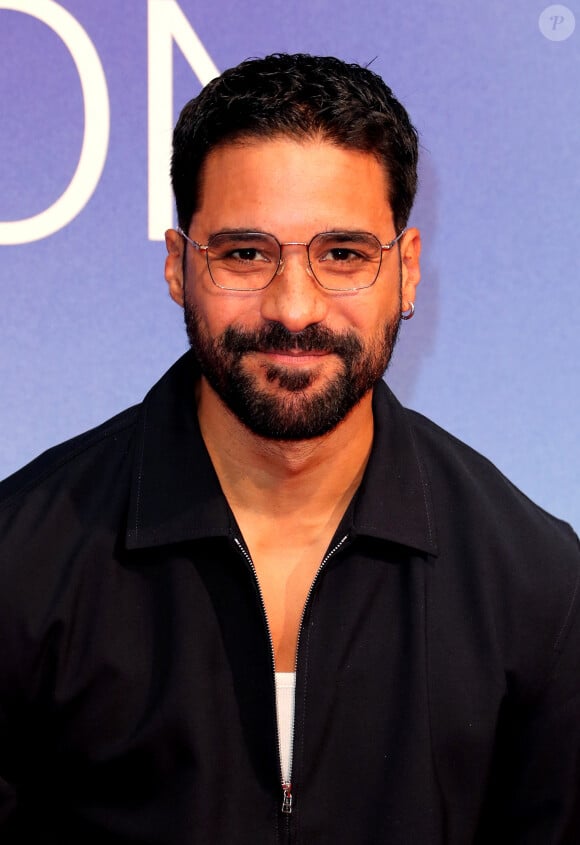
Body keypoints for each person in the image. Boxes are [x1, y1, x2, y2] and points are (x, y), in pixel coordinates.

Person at [0, 52, 578, 845]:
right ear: (178, 266)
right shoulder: (20, 564)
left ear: (406, 272)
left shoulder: (537, 586)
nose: (295, 308)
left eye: (343, 254)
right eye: (246, 253)